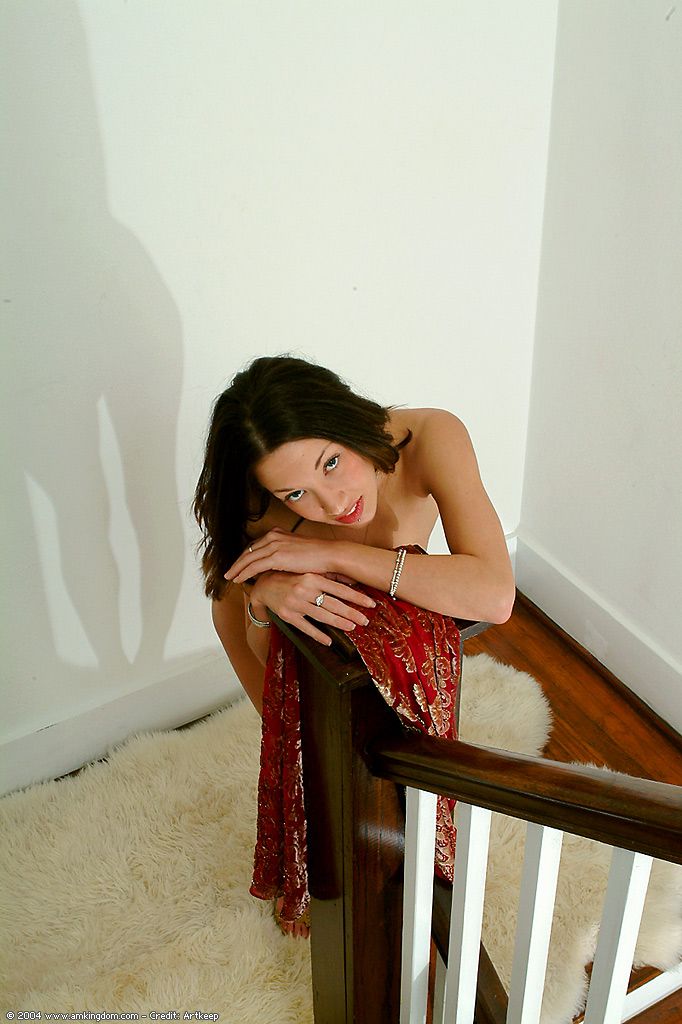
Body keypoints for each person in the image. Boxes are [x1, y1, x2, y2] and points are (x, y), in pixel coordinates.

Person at [193, 354, 515, 935]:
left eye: (332, 462)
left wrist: (335, 553)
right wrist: (262, 602)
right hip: (326, 655)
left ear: (346, 417)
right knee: (323, 765)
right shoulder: (264, 513)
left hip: (404, 642)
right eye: (297, 492)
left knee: (411, 791)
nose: (334, 503)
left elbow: (494, 596)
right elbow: (239, 628)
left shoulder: (430, 437)